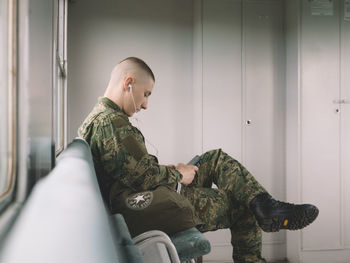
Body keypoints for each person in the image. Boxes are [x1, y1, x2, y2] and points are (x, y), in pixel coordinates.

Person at [78, 57, 318, 263]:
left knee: (213, 158)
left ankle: (266, 204)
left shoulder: (100, 119)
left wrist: (173, 169)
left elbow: (131, 171)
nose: (145, 104)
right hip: (143, 207)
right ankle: (264, 208)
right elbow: (142, 177)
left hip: (144, 197)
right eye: (145, 94)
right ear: (128, 83)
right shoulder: (112, 123)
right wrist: (178, 175)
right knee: (243, 204)